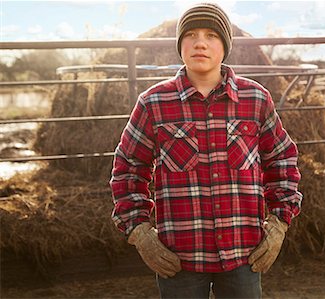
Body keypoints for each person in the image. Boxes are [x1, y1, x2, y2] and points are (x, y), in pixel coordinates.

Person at [110, 2, 302, 298]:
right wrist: (140, 233)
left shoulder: (256, 99)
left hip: (243, 254)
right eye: (191, 35)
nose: (200, 42)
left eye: (211, 35)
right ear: (180, 44)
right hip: (179, 258)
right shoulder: (153, 103)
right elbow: (127, 168)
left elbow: (281, 160)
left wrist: (278, 224)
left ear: (224, 46)